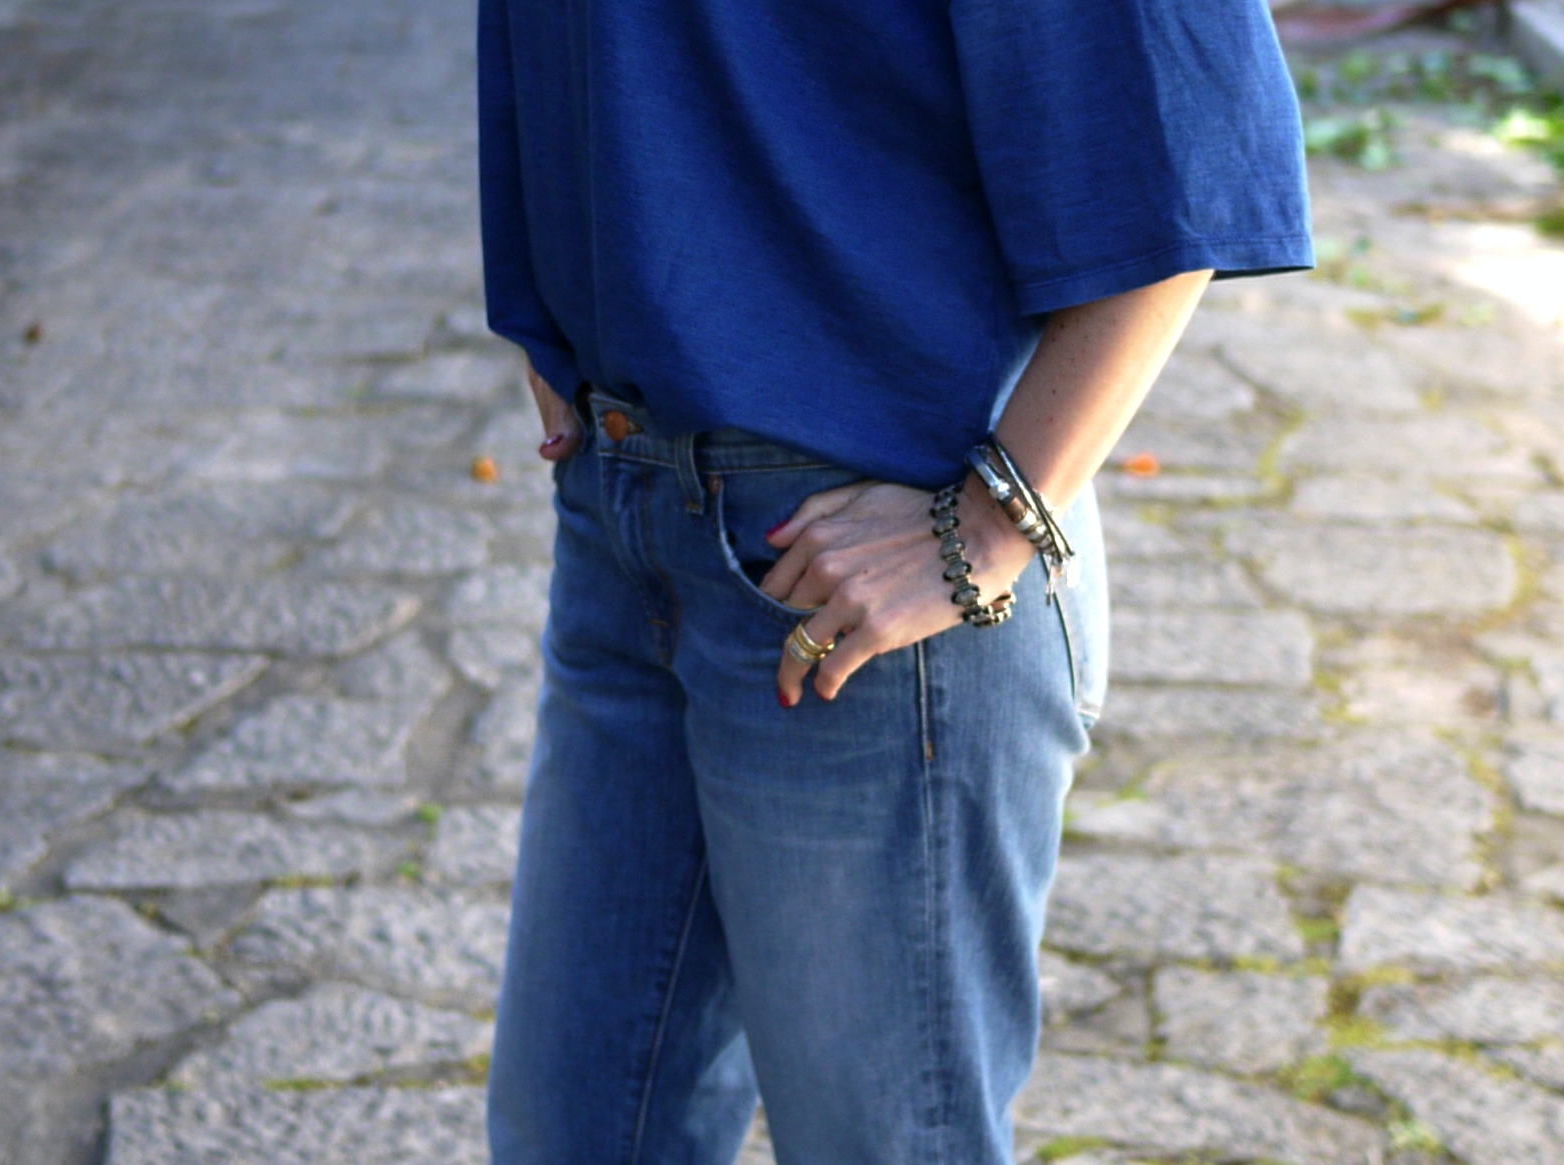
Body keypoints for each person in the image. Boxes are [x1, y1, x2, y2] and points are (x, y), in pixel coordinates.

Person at [477, 0, 1311, 1160]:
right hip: (628, 509)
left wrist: (994, 521)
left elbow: (1192, 131)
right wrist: (556, 306)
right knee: (573, 1131)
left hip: (865, 573)